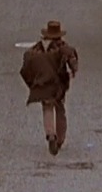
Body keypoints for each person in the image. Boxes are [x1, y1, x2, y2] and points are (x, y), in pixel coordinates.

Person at [21, 20, 80, 155]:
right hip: (57, 83)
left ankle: (50, 134)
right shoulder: (61, 47)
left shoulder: (36, 49)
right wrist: (73, 69)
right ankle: (60, 139)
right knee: (59, 109)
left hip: (42, 83)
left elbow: (26, 66)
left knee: (47, 108)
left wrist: (32, 82)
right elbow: (71, 58)